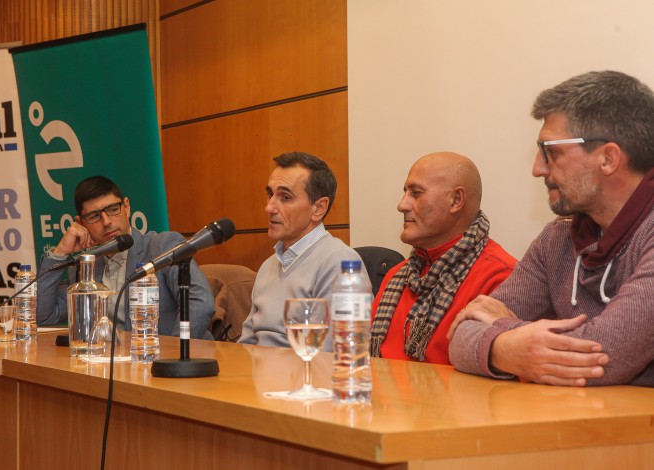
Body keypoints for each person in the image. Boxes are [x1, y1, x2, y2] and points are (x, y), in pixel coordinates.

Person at [448, 70, 654, 387]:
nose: (537, 168)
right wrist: (511, 344)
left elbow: (603, 357)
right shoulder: (557, 238)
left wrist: (502, 328)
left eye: (551, 151)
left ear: (608, 158)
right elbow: (461, 334)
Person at [370, 152, 516, 364]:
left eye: (416, 193)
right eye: (405, 193)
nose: (402, 205)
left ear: (456, 200)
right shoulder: (396, 276)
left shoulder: (500, 277)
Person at [36, 176, 215, 339]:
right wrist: (60, 252)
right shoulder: (85, 266)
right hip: (111, 366)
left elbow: (201, 301)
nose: (107, 221)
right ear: (81, 223)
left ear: (127, 207)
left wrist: (173, 355)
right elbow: (44, 316)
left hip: (166, 361)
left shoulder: (163, 247)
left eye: (113, 209)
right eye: (94, 216)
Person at [238, 152, 363, 349]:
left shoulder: (341, 263)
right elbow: (245, 344)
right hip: (254, 374)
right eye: (270, 195)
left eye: (285, 197)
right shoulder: (268, 266)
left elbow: (333, 354)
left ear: (319, 208)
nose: (269, 207)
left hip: (304, 376)